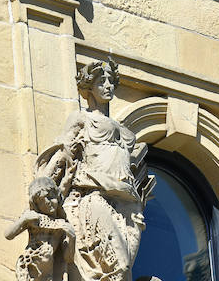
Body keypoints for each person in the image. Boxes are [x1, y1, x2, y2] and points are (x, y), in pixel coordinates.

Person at [34, 59, 154, 281]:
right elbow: (63, 154)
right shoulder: (81, 119)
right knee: (120, 266)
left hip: (129, 205)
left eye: (110, 81)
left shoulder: (124, 131)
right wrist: (45, 185)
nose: (108, 86)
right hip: (95, 197)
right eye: (102, 81)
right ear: (89, 87)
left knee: (123, 271)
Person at [5, 176, 76, 281]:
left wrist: (72, 237)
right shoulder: (33, 217)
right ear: (36, 204)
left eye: (50, 196)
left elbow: (68, 258)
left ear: (57, 196)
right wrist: (23, 219)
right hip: (30, 265)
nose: (47, 202)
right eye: (42, 200)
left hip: (46, 271)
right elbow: (8, 234)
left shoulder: (62, 224)